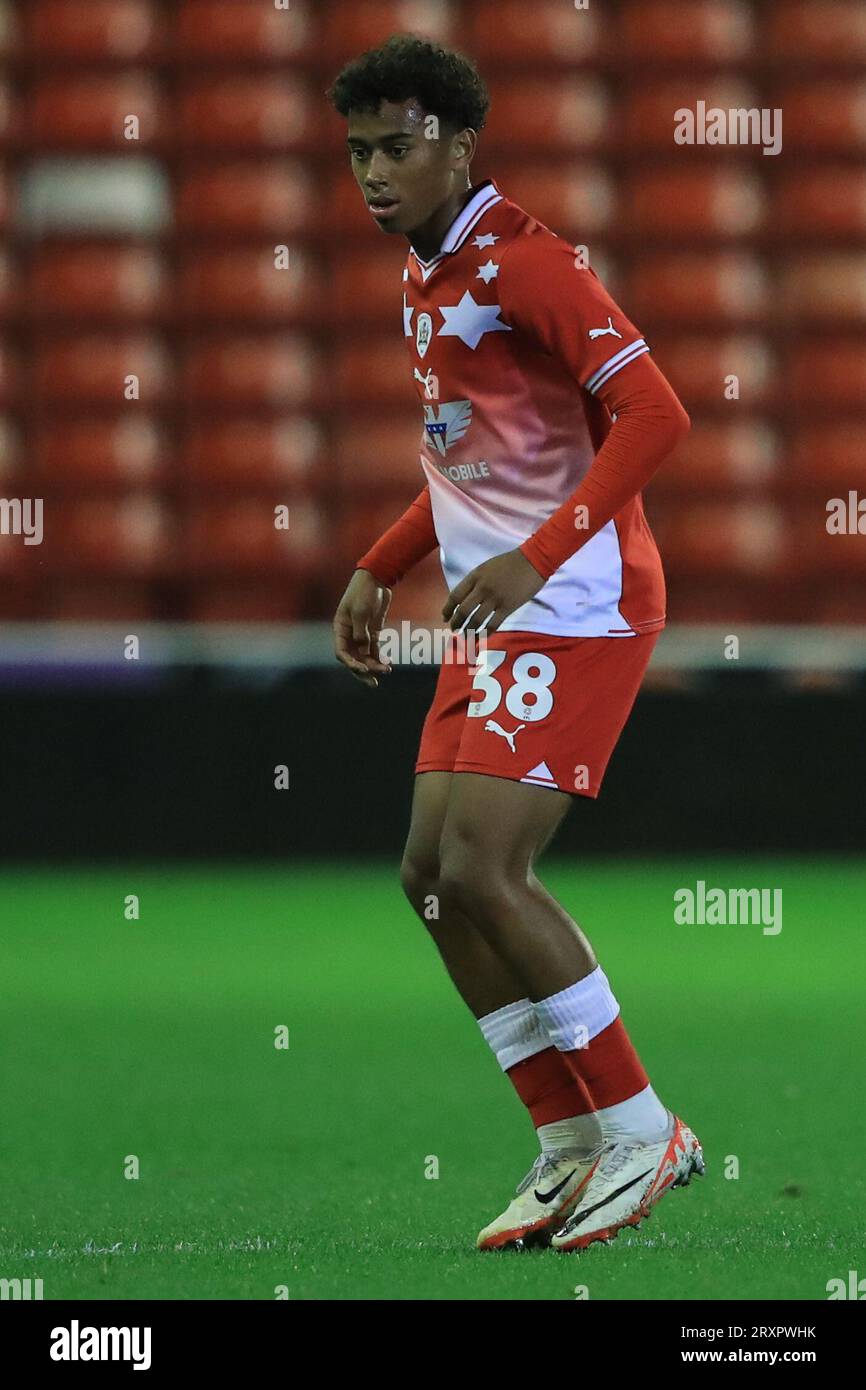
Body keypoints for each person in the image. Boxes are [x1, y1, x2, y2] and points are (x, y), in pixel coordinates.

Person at [328, 34, 703, 1252]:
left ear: (458, 144)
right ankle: (566, 1139)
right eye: (359, 152)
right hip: (498, 606)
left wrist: (537, 557)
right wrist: (382, 567)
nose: (374, 173)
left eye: (398, 146)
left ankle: (643, 1126)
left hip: (579, 599)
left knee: (486, 866)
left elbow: (656, 412)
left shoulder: (521, 263)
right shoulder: (424, 270)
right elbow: (465, 457)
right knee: (430, 877)